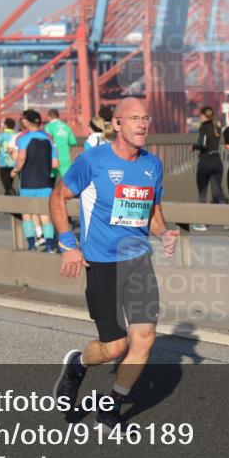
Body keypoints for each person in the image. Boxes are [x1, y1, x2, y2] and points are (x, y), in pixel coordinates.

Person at [49, 97, 180, 430]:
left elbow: (152, 213)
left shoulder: (152, 164)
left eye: (146, 118)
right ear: (117, 124)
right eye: (134, 118)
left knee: (145, 339)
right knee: (113, 348)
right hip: (102, 263)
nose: (142, 124)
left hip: (138, 260)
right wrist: (68, 245)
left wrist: (164, 232)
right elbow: (57, 197)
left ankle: (111, 409)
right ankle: (77, 366)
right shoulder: (93, 161)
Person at [12, 110, 58, 252]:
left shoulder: (23, 139)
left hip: (28, 183)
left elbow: (21, 159)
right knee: (45, 215)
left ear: (26, 122)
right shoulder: (49, 139)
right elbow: (55, 163)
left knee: (27, 214)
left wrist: (15, 170)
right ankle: (50, 246)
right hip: (45, 182)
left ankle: (32, 245)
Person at [190, 105, 226, 231]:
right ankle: (227, 221)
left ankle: (202, 223)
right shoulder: (217, 127)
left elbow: (203, 145)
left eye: (200, 115)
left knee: (202, 193)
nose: (199, 117)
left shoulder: (204, 127)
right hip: (217, 161)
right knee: (217, 192)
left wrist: (194, 146)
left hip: (205, 162)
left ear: (204, 115)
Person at [44, 108, 78, 179]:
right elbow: (73, 142)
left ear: (49, 117)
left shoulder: (48, 127)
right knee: (66, 182)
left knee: (50, 182)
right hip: (66, 157)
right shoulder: (66, 126)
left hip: (52, 157)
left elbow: (47, 142)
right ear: (58, 116)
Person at [0, 118, 18, 195]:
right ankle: (10, 200)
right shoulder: (17, 136)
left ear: (5, 125)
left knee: (7, 185)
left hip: (4, 163)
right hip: (16, 163)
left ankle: (12, 195)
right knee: (10, 184)